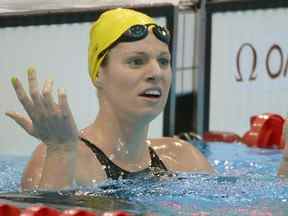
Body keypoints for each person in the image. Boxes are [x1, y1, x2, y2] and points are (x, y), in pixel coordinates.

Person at [6, 8, 288, 191]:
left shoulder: (182, 157)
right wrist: (60, 152)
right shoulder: (60, 157)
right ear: (98, 74)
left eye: (164, 61)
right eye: (136, 61)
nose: (156, 73)